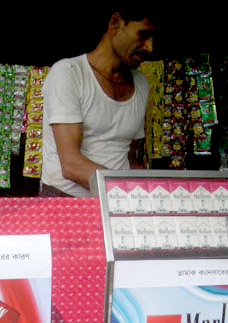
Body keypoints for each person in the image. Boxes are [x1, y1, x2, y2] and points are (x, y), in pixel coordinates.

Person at [41, 5, 155, 197]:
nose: (150, 47)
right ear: (115, 23)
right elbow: (71, 165)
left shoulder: (141, 83)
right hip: (66, 201)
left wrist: (151, 189)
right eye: (143, 35)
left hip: (116, 202)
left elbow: (130, 155)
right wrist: (125, 191)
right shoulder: (68, 74)